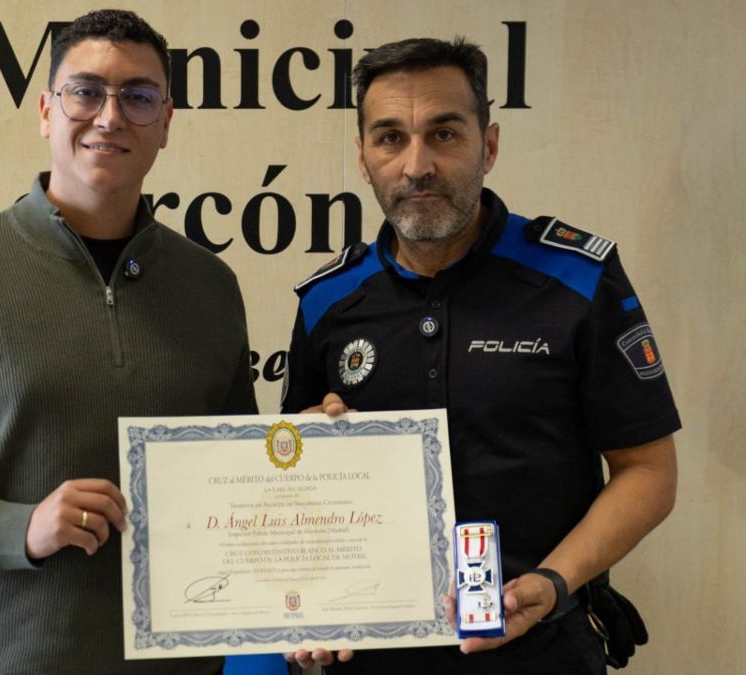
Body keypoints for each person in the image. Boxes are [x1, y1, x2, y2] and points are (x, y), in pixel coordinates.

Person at [0, 10, 256, 675]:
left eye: (138, 96)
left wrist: (303, 459)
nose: (110, 116)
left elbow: (234, 486)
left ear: (166, 121)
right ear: (45, 112)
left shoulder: (211, 287)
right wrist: (17, 528)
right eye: (86, 91)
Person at [282, 37, 678, 674]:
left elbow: (649, 473)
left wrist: (552, 584)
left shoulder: (578, 279)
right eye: (389, 138)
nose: (417, 166)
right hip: (372, 658)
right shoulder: (326, 300)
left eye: (444, 133)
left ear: (488, 145)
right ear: (362, 158)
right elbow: (294, 493)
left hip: (542, 645)